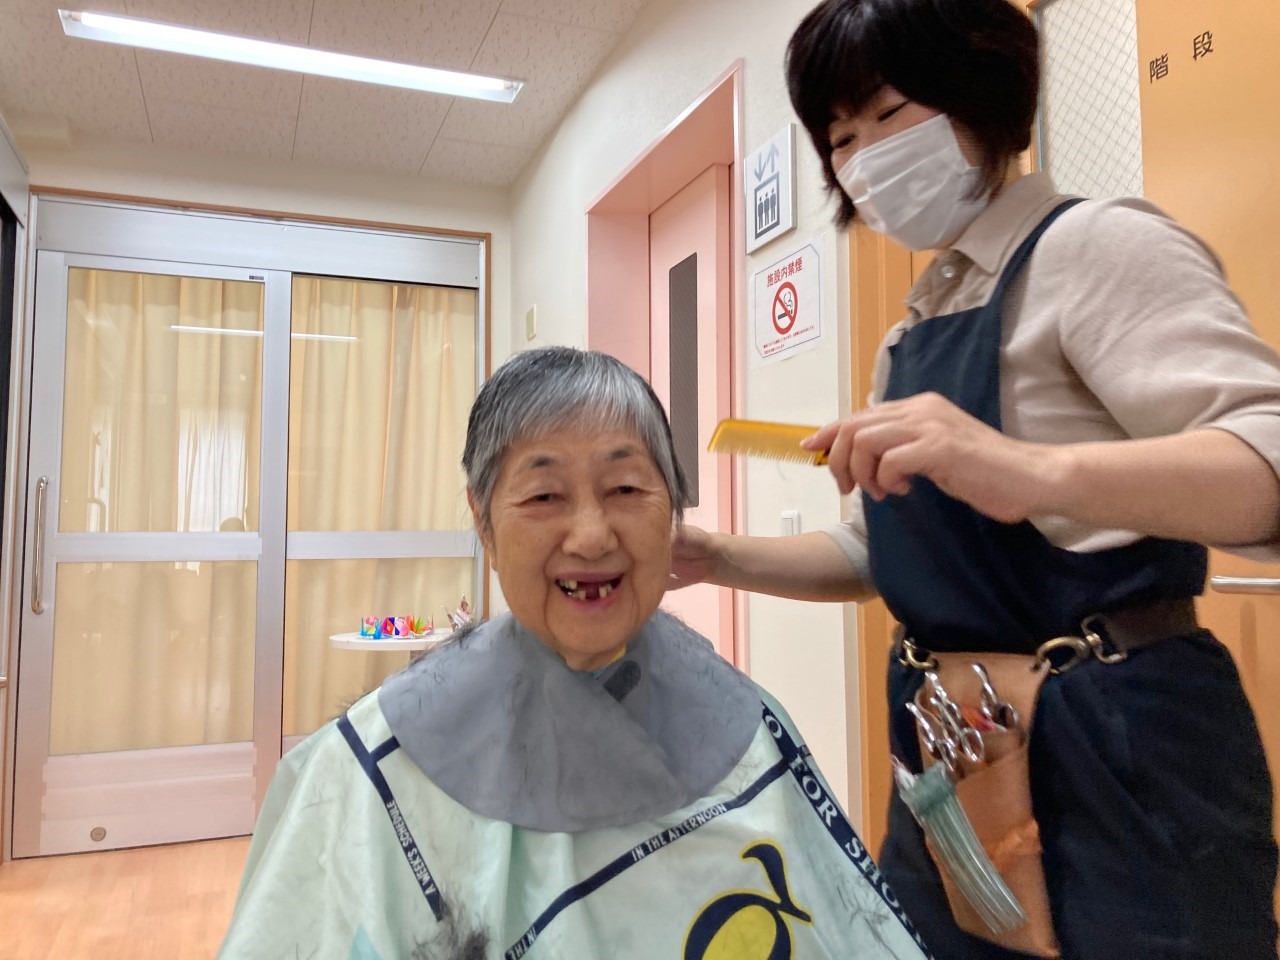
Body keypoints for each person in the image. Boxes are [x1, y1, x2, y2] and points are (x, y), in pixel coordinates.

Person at [672, 0, 1280, 957]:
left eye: (889, 111)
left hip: (1120, 748)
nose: (864, 156)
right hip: (950, 747)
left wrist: (1032, 472)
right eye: (840, 137)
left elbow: (1265, 460)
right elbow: (879, 554)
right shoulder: (910, 330)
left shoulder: (1096, 246)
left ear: (982, 94)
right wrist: (714, 556)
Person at [219, 347, 931, 959]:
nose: (591, 536)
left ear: (673, 512)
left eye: (626, 488)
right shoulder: (371, 774)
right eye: (543, 496)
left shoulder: (748, 723)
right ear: (482, 520)